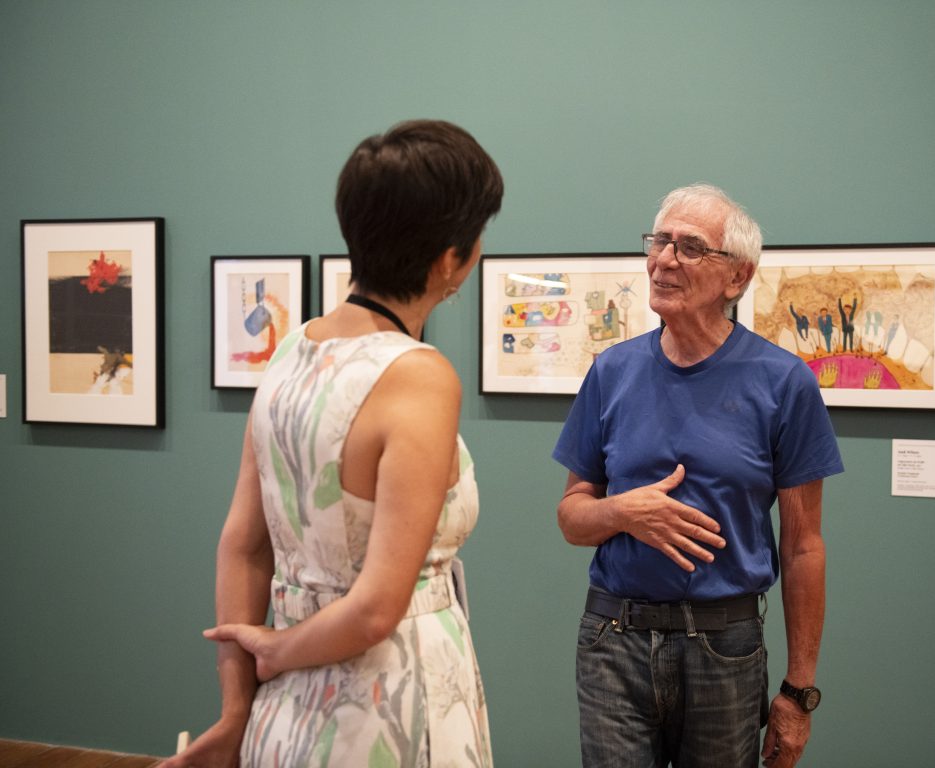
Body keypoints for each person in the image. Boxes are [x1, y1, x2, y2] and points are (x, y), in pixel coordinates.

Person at [161, 119, 503, 768]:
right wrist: (273, 651)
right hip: (390, 704)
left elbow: (243, 544)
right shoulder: (419, 376)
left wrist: (237, 709)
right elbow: (376, 610)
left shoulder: (292, 350)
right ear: (449, 260)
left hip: (285, 710)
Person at [553, 183, 843, 768]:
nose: (664, 259)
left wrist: (798, 692)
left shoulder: (783, 382)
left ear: (737, 277)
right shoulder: (612, 371)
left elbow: (803, 546)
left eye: (689, 247)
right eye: (659, 241)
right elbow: (572, 518)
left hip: (724, 648)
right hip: (614, 638)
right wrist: (623, 512)